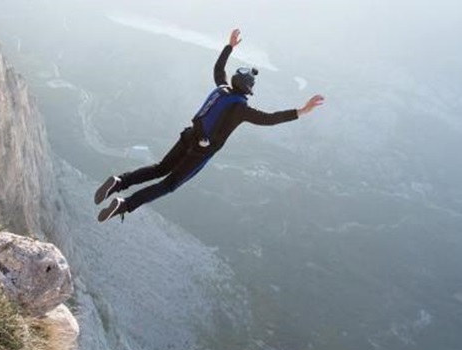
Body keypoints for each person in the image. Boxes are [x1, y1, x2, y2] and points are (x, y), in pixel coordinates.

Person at [95, 28, 324, 222]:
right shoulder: (241, 109)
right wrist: (302, 111)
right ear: (248, 89)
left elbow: (218, 69)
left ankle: (119, 182)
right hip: (201, 151)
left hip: (189, 135)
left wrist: (229, 46)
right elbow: (270, 118)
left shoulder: (222, 88)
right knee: (169, 184)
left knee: (159, 168)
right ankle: (124, 205)